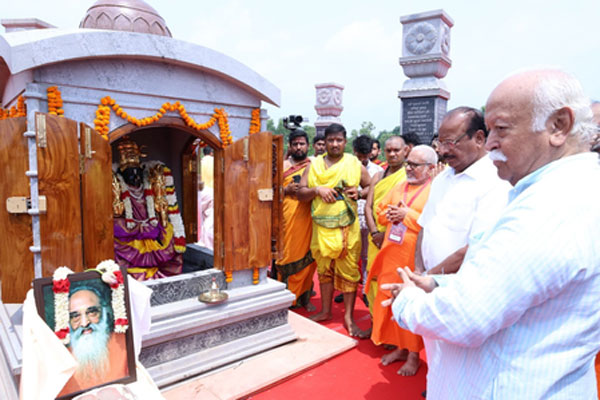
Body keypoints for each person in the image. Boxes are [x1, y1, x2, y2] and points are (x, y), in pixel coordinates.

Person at [384, 68, 600, 399]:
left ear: (559, 126)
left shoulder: (552, 205)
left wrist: (407, 302)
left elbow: (464, 317)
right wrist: (437, 282)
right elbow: (515, 282)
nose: (493, 142)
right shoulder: (558, 190)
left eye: (501, 129)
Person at [414, 107, 511, 276]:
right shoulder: (441, 179)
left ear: (479, 138)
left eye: (450, 143)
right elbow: (425, 228)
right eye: (440, 143)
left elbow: (477, 247)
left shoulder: (496, 180)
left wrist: (428, 278)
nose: (443, 151)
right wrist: (418, 271)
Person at [366, 145, 436, 376]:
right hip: (391, 253)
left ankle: (414, 355)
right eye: (409, 163)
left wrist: (408, 216)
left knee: (411, 300)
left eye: (415, 165)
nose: (409, 168)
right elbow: (380, 211)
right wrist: (388, 215)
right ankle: (400, 347)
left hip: (414, 258)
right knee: (392, 300)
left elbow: (435, 223)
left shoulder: (435, 190)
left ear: (430, 168)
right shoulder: (398, 186)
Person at [297, 123, 371, 338]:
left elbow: (370, 187)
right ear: (324, 142)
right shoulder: (313, 164)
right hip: (321, 227)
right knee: (324, 269)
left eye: (339, 140)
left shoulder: (354, 163)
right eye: (331, 140)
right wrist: (317, 190)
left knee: (349, 272)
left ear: (345, 142)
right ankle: (325, 310)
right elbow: (300, 194)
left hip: (346, 228)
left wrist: (359, 192)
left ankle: (348, 317)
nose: (335, 144)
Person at [112, 138, 184, 280]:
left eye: (137, 173)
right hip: (130, 232)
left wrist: (159, 218)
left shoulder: (149, 183)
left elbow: (159, 207)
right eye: (130, 173)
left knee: (168, 233)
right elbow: (116, 215)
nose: (134, 177)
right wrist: (137, 228)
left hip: (152, 227)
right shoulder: (117, 185)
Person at [364, 135, 409, 310]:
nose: (392, 154)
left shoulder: (409, 177)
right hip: (376, 238)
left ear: (405, 151)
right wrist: (375, 233)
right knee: (374, 278)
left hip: (396, 238)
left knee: (392, 280)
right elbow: (368, 207)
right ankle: (375, 324)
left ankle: (390, 328)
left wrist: (386, 234)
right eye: (389, 151)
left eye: (396, 150)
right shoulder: (378, 176)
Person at [274, 129, 317, 311]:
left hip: (308, 219)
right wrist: (286, 191)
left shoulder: (314, 165)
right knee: (286, 259)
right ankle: (285, 299)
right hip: (286, 219)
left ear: (308, 146)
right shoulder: (281, 166)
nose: (299, 147)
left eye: (302, 144)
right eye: (295, 144)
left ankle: (304, 298)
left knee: (309, 259)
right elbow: (267, 191)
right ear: (289, 147)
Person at [59, 284, 128, 396]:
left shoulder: (122, 342)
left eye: (92, 312)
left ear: (105, 313)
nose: (84, 323)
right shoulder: (61, 360)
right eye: (75, 316)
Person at [350, 135, 382, 303]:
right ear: (354, 151)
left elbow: (376, 192)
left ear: (371, 153)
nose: (362, 160)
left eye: (365, 156)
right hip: (350, 217)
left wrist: (360, 194)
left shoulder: (378, 171)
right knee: (351, 255)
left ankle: (365, 288)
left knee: (366, 256)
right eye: (359, 156)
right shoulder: (347, 167)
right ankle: (348, 287)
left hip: (369, 218)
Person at [198, 146, 214, 250]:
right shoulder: (214, 161)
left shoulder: (201, 161)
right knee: (210, 220)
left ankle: (202, 242)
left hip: (201, 191)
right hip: (212, 191)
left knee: (201, 219)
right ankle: (208, 245)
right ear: (212, 152)